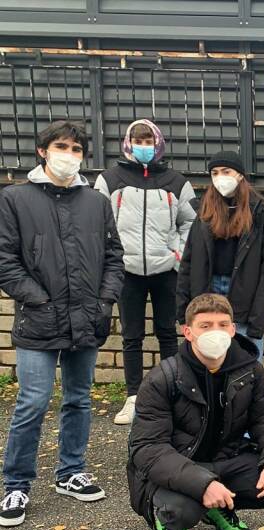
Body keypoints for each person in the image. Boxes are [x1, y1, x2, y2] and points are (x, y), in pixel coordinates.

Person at [0, 120, 125, 528]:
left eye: (75, 148)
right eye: (61, 146)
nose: (68, 154)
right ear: (42, 151)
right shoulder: (14, 199)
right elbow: (6, 261)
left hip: (86, 318)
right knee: (33, 401)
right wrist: (37, 299)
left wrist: (105, 300)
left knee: (79, 399)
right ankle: (16, 483)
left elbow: (113, 257)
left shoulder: (96, 201)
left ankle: (71, 471)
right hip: (38, 319)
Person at [127, 294, 264, 530]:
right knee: (179, 511)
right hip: (176, 468)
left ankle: (218, 508)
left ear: (232, 329)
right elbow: (148, 449)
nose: (215, 332)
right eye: (205, 326)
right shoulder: (163, 378)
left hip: (225, 460)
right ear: (188, 332)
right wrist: (202, 483)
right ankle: (170, 524)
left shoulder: (250, 370)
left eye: (222, 324)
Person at [95, 119, 197, 425]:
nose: (144, 146)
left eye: (149, 140)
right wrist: (111, 260)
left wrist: (177, 255)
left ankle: (170, 393)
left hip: (165, 270)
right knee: (132, 336)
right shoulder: (109, 180)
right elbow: (99, 224)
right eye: (138, 139)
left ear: (159, 144)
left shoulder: (176, 181)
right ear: (127, 143)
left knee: (168, 332)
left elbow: (190, 222)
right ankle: (133, 397)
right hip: (126, 271)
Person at [176, 151, 264, 360]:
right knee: (208, 361)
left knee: (246, 364)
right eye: (214, 172)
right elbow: (188, 262)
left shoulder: (258, 212)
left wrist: (257, 322)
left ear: (240, 175)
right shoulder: (205, 211)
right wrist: (183, 311)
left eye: (226, 171)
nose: (220, 177)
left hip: (243, 294)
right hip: (208, 290)